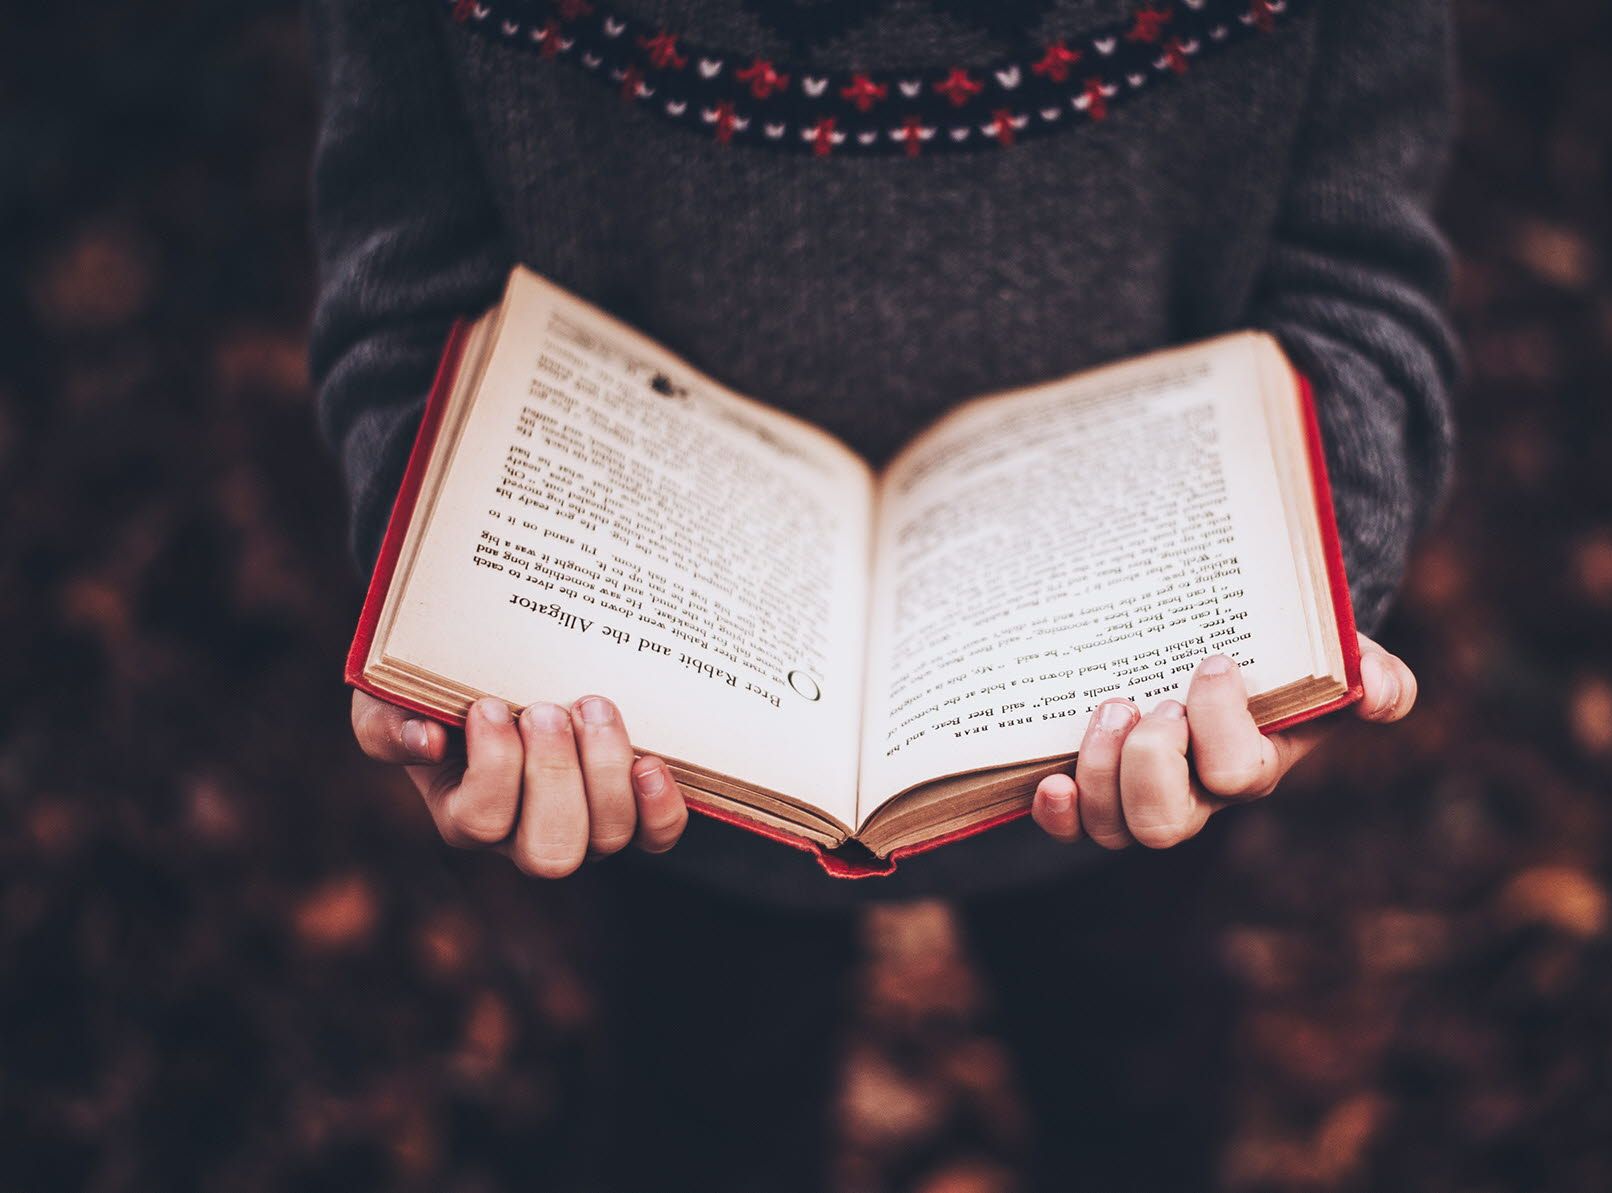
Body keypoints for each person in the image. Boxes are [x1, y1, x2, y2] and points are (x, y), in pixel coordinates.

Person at [307, 0, 1455, 1187]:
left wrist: (1301, 605)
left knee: (1133, 1059)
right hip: (655, 745)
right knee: (702, 1098)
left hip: (1131, 723)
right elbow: (409, 287)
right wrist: (456, 633)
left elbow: (1353, 274)